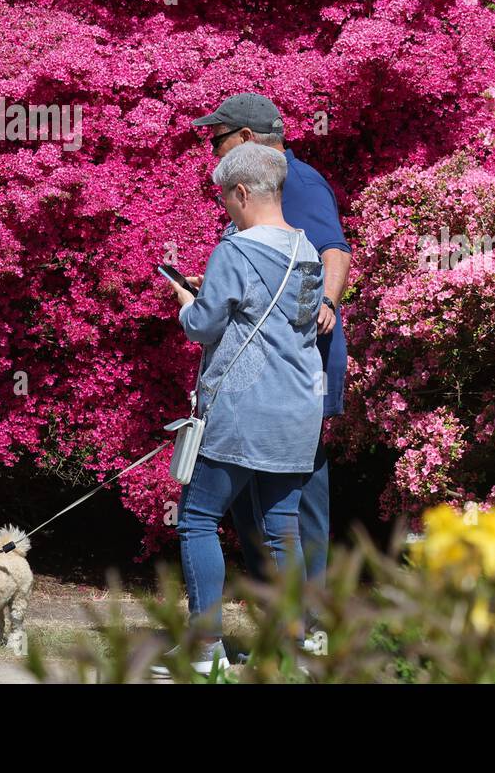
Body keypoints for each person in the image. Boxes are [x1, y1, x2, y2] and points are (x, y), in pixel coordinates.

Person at [153, 143, 325, 675]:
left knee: (199, 520)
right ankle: (293, 655)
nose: (225, 207)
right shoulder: (308, 252)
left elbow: (204, 326)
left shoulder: (235, 250)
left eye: (226, 197)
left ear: (243, 192)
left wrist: (187, 303)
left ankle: (206, 652)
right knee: (283, 530)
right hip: (297, 411)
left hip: (241, 411)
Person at [190, 94, 350, 634]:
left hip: (291, 372)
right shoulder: (268, 197)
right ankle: (287, 633)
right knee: (265, 514)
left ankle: (311, 626)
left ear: (248, 140)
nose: (212, 150)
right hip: (281, 378)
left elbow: (335, 250)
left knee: (292, 508)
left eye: (218, 139)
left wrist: (323, 304)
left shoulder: (295, 181)